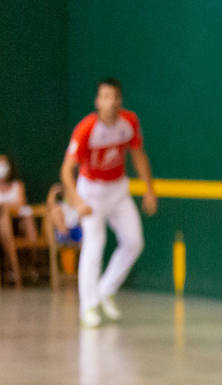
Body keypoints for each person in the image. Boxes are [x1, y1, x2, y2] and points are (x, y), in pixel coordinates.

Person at [61, 79, 157, 325]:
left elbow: (138, 155)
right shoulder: (86, 129)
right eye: (104, 96)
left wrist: (149, 190)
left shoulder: (129, 122)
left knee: (134, 242)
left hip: (118, 191)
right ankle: (88, 307)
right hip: (91, 192)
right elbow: (66, 170)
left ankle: (105, 289)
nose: (110, 102)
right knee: (95, 242)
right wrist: (77, 201)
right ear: (97, 101)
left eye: (114, 97)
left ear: (120, 100)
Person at [0, 154, 39, 286]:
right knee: (4, 223)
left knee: (28, 218)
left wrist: (6, 206)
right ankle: (14, 269)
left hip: (19, 223)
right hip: (3, 227)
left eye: (3, 164)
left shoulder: (18, 185)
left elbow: (21, 205)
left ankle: (34, 264)